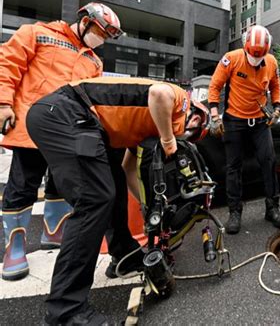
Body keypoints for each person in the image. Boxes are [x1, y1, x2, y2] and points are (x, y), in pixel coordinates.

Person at [25, 76, 210, 325]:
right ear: (196, 118)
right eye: (190, 132)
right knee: (95, 200)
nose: (183, 136)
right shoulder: (179, 99)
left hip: (81, 122)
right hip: (66, 113)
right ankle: (65, 310)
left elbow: (128, 170)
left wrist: (147, 206)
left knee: (113, 191)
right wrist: (168, 141)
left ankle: (125, 255)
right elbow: (158, 95)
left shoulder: (147, 126)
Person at [0, 2, 123, 281]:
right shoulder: (37, 33)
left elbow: (92, 98)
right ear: (84, 21)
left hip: (69, 134)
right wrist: (2, 103)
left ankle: (54, 232)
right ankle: (14, 248)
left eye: (106, 36)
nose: (101, 40)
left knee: (63, 184)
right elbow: (7, 64)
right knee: (22, 185)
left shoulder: (94, 61)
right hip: (31, 126)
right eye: (100, 32)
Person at [207, 24, 280, 234]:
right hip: (234, 121)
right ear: (245, 47)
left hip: (260, 122)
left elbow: (275, 86)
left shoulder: (271, 62)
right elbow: (215, 86)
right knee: (233, 167)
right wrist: (214, 115)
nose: (256, 58)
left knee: (269, 162)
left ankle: (272, 208)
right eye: (253, 54)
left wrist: (277, 107)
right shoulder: (231, 58)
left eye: (260, 55)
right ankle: (234, 212)